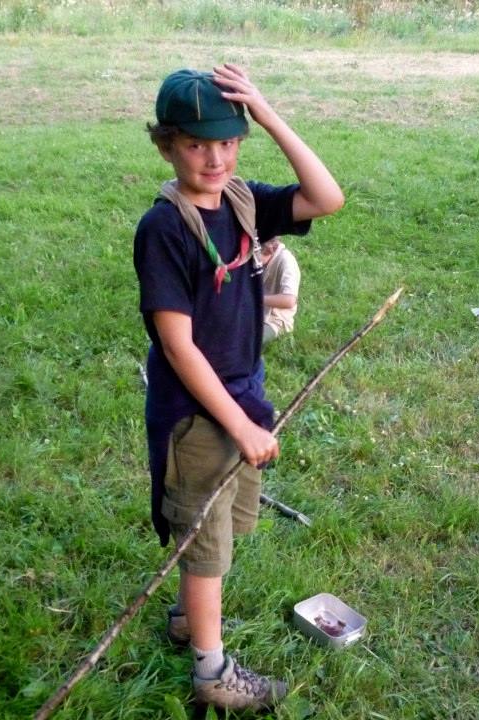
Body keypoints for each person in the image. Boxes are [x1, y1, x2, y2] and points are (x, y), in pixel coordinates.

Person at [133, 64, 343, 711]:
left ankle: (184, 620)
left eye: (228, 142)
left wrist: (267, 113)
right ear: (167, 146)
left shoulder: (243, 201)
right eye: (197, 145)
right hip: (197, 416)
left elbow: (327, 197)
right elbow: (179, 347)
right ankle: (212, 673)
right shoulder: (164, 229)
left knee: (216, 531)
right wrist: (240, 426)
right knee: (207, 552)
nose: (216, 159)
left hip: (243, 398)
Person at [260, 236, 301, 346]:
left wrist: (257, 299)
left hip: (273, 320)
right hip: (253, 313)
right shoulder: (259, 259)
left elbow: (289, 300)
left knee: (245, 341)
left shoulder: (287, 262)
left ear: (271, 249)